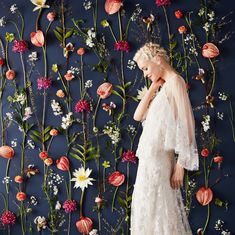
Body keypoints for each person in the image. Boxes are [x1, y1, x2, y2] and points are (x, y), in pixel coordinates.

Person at [130, 42, 199, 234]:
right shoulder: (165, 86)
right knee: (148, 210)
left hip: (159, 161)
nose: (144, 73)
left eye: (145, 68)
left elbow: (187, 124)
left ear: (158, 60)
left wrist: (180, 166)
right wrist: (153, 88)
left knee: (158, 211)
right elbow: (137, 116)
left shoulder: (175, 81)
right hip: (150, 161)